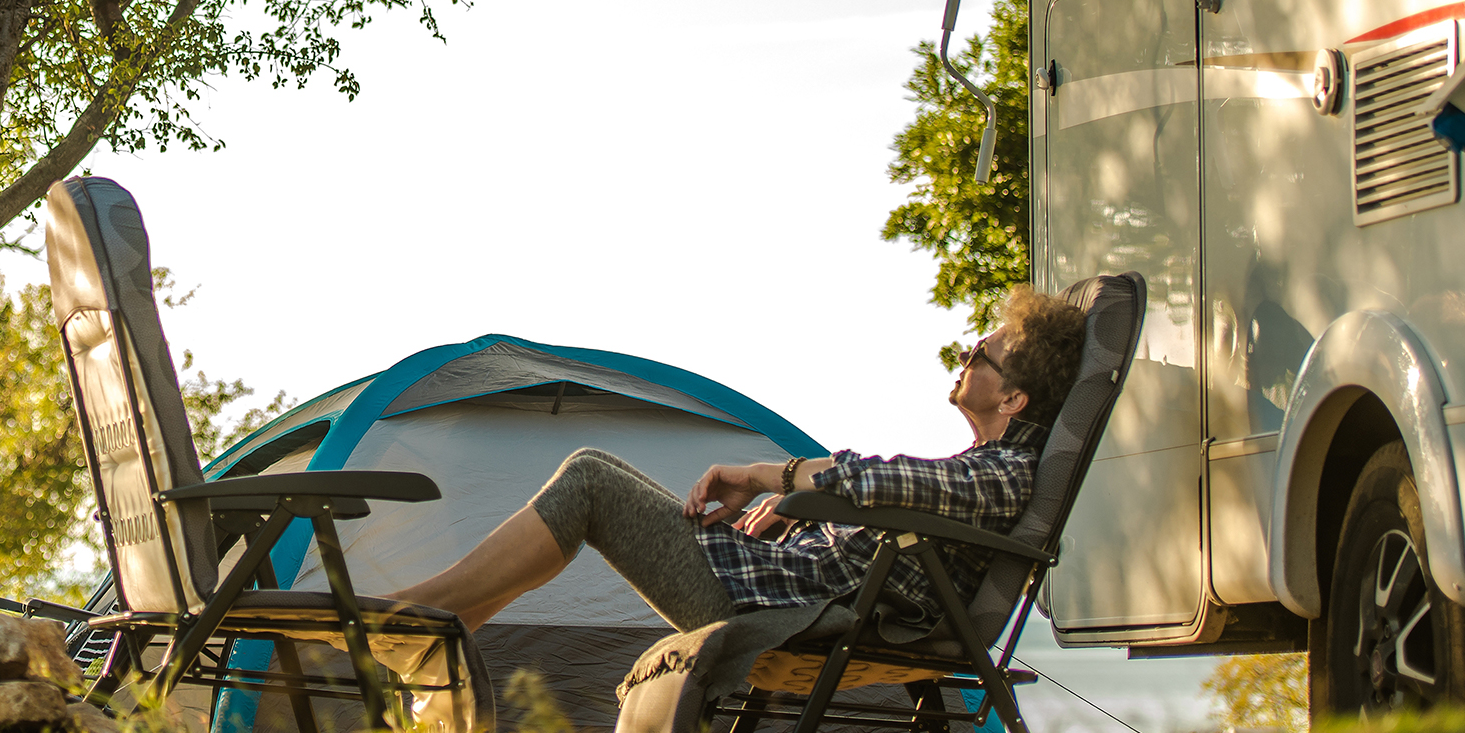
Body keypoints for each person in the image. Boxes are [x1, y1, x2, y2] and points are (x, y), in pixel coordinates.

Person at [384, 285, 1089, 639]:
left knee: (592, 482)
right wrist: (790, 513)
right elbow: (874, 499)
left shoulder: (1000, 476)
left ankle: (415, 611)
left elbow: (873, 480)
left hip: (777, 602)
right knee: (597, 464)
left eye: (981, 355)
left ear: (1017, 398)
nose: (965, 356)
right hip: (778, 576)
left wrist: (765, 474)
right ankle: (445, 626)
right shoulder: (982, 468)